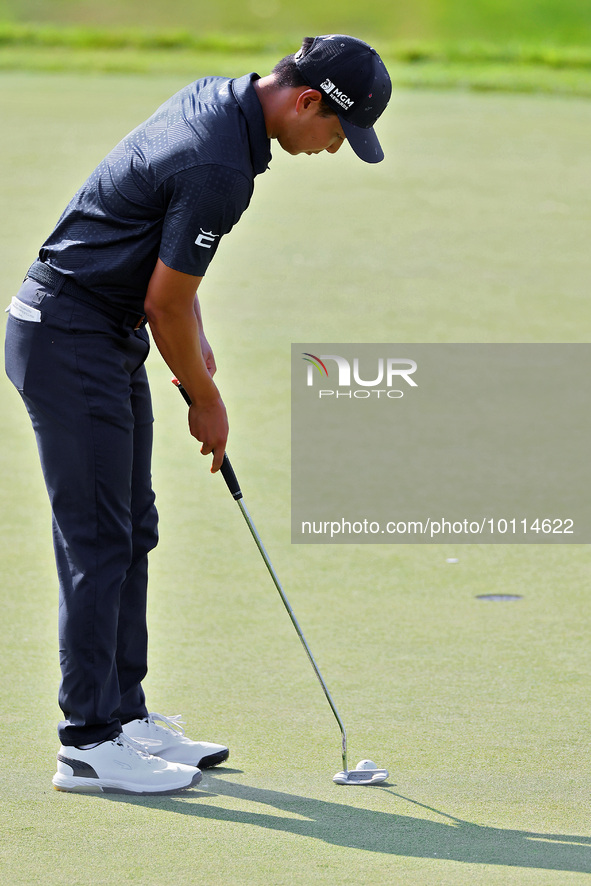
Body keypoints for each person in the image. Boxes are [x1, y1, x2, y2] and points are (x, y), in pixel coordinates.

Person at [4, 34, 391, 795]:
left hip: (101, 330)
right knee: (96, 539)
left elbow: (165, 260)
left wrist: (196, 345)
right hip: (68, 337)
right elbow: (165, 300)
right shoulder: (221, 166)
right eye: (338, 134)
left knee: (130, 527)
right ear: (308, 101)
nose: (333, 149)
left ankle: (123, 715)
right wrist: (205, 399)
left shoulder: (223, 101)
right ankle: (85, 743)